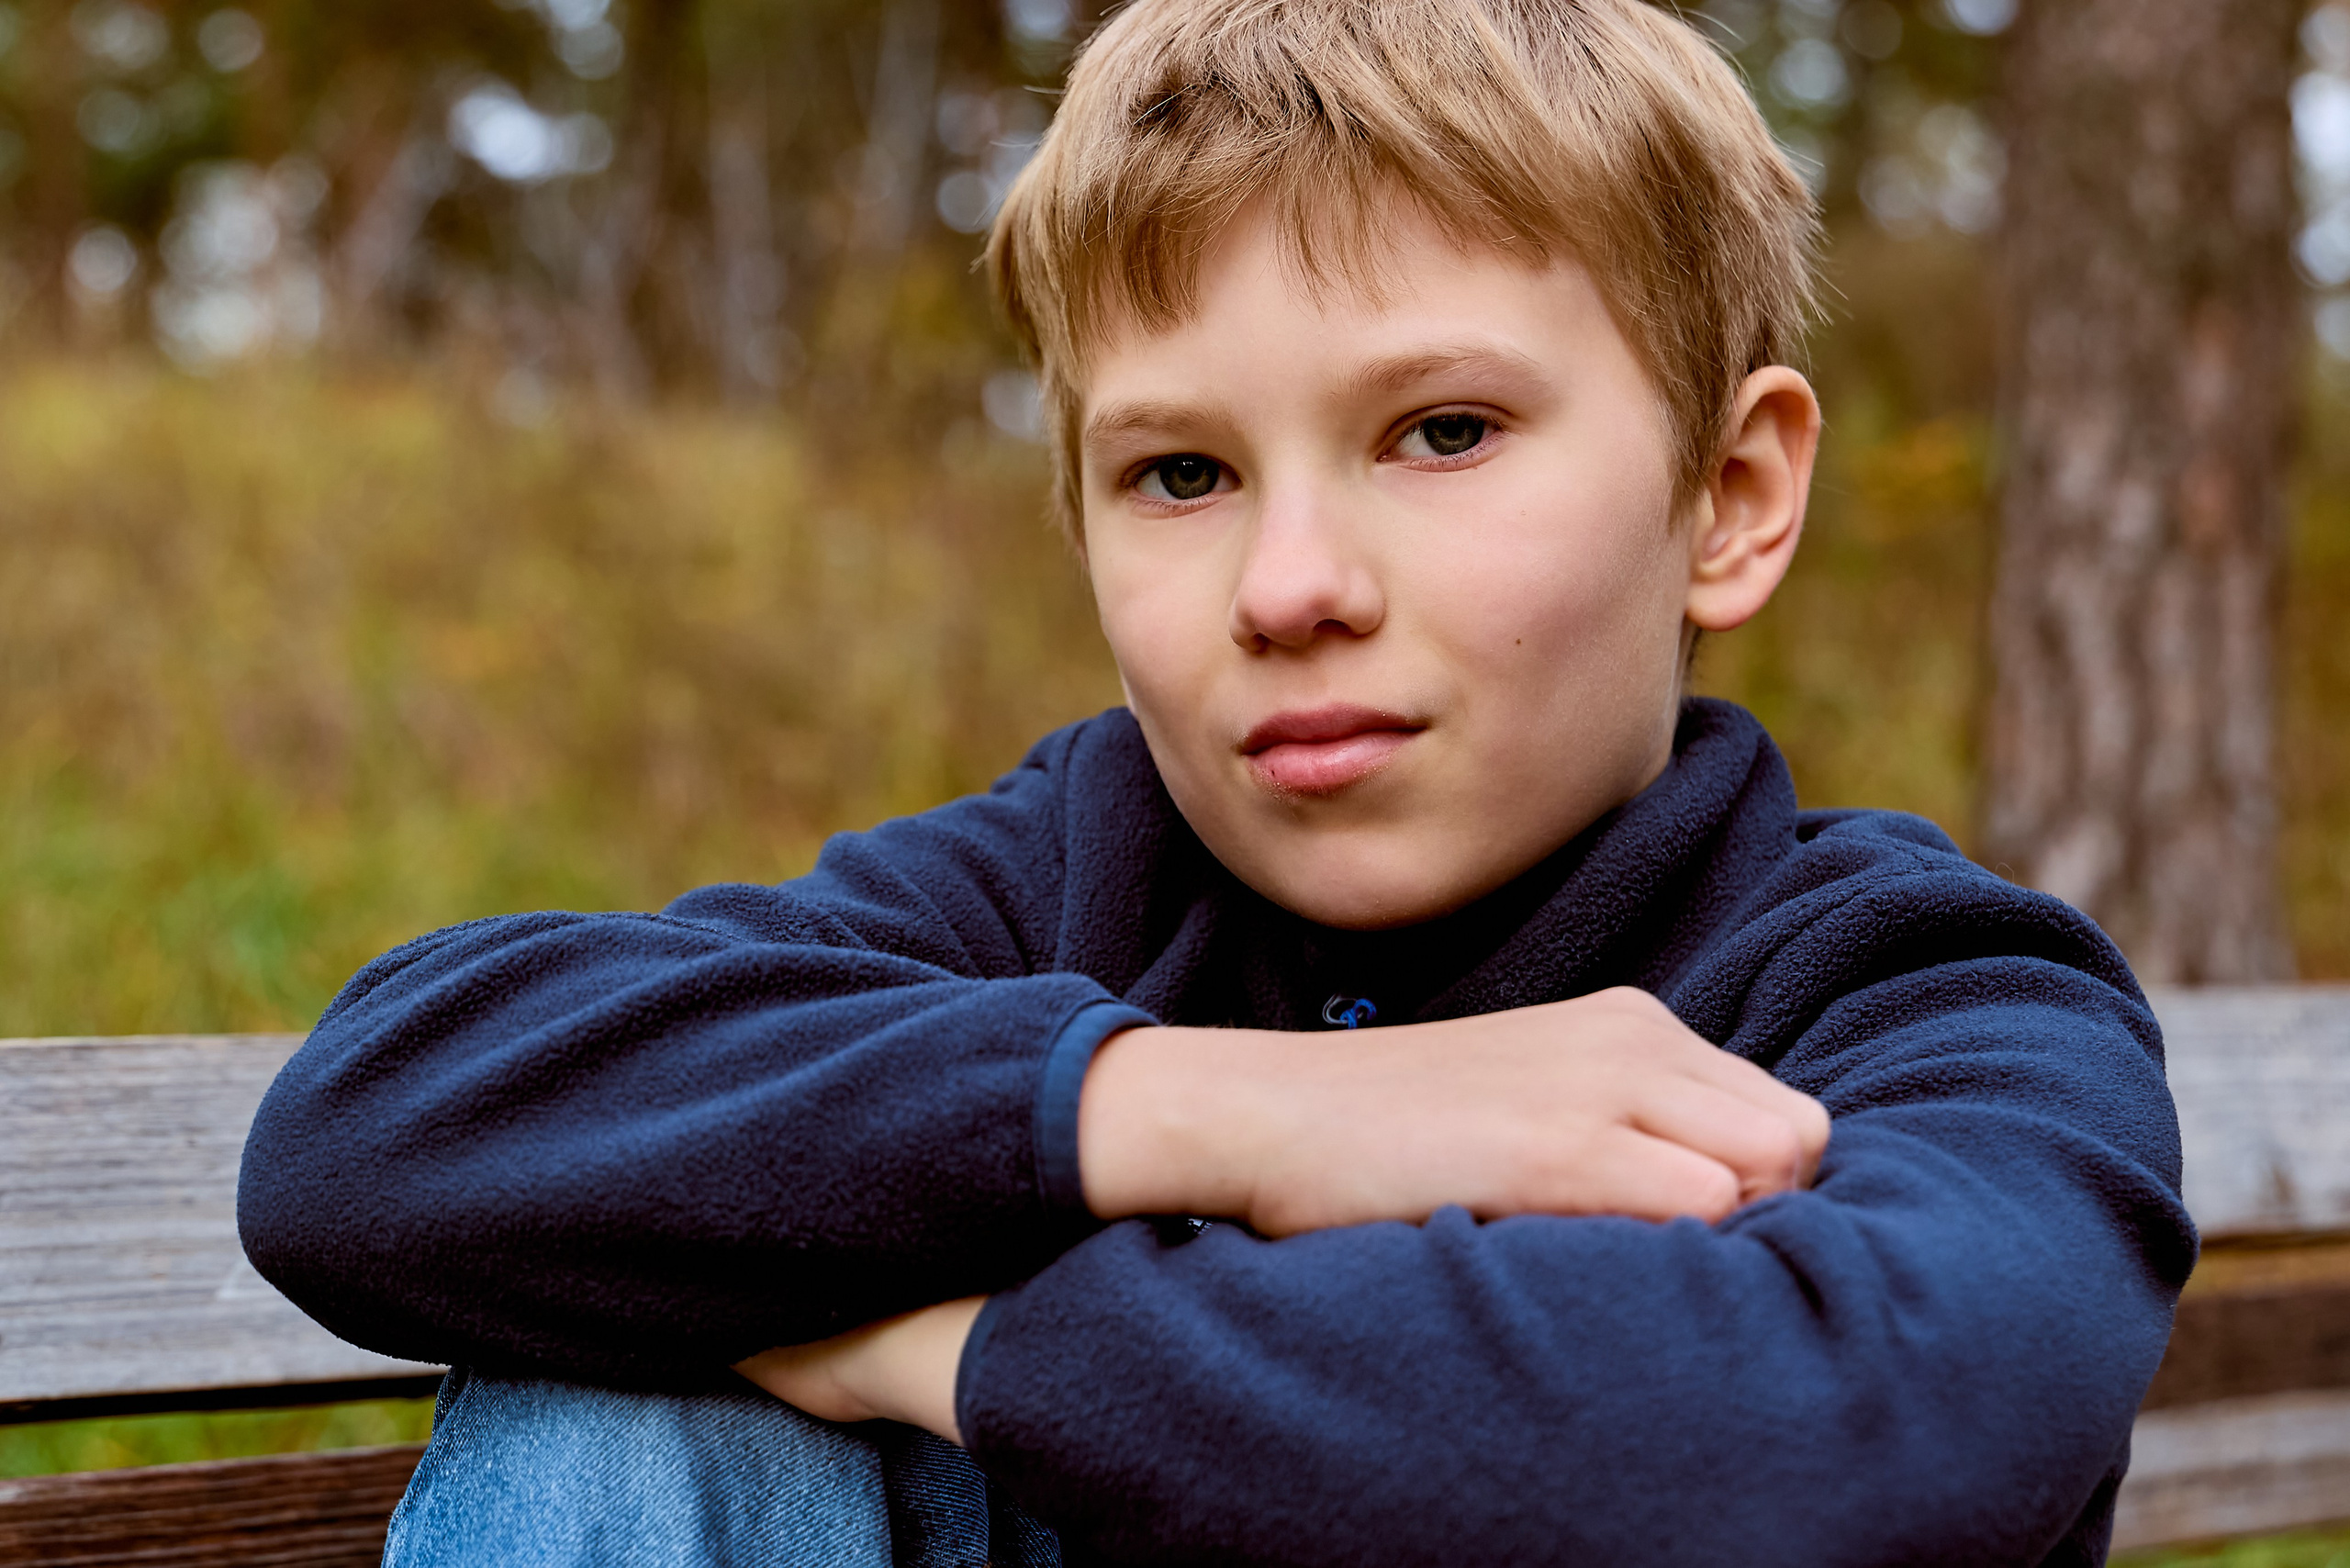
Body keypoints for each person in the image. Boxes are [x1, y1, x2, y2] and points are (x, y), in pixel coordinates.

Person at [237, 1, 2193, 1563]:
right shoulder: (1062, 879)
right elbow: (371, 1121)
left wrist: (964, 1344)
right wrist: (1227, 1111)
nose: (1287, 586)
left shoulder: (1918, 992)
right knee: (636, 1372)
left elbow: (1847, 1448)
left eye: (1439, 430)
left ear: (1730, 494)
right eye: (1179, 471)